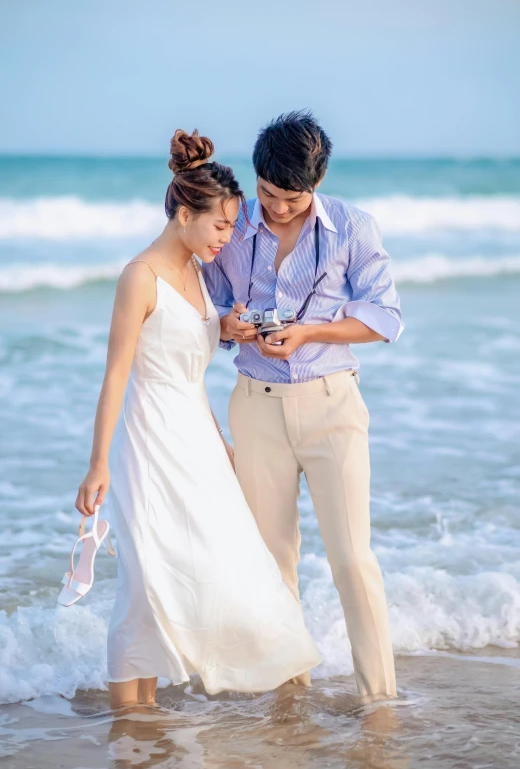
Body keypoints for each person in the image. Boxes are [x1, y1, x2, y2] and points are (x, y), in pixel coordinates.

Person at [75, 129, 321, 710]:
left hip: (197, 439)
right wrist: (97, 464)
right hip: (149, 440)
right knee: (144, 578)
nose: (228, 238)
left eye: (234, 226)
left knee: (207, 564)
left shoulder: (197, 275)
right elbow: (116, 375)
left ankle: (146, 711)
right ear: (184, 214)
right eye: (219, 226)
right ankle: (128, 715)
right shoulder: (140, 277)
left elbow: (193, 370)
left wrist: (221, 440)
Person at [204, 111, 404, 703]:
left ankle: (380, 701)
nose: (278, 207)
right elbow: (206, 307)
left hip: (332, 406)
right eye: (267, 193)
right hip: (255, 407)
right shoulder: (230, 227)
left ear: (315, 184)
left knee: (351, 559)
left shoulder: (352, 227)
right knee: (273, 564)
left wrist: (311, 332)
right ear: (256, 176)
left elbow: (386, 317)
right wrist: (229, 325)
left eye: (293, 197)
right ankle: (292, 698)